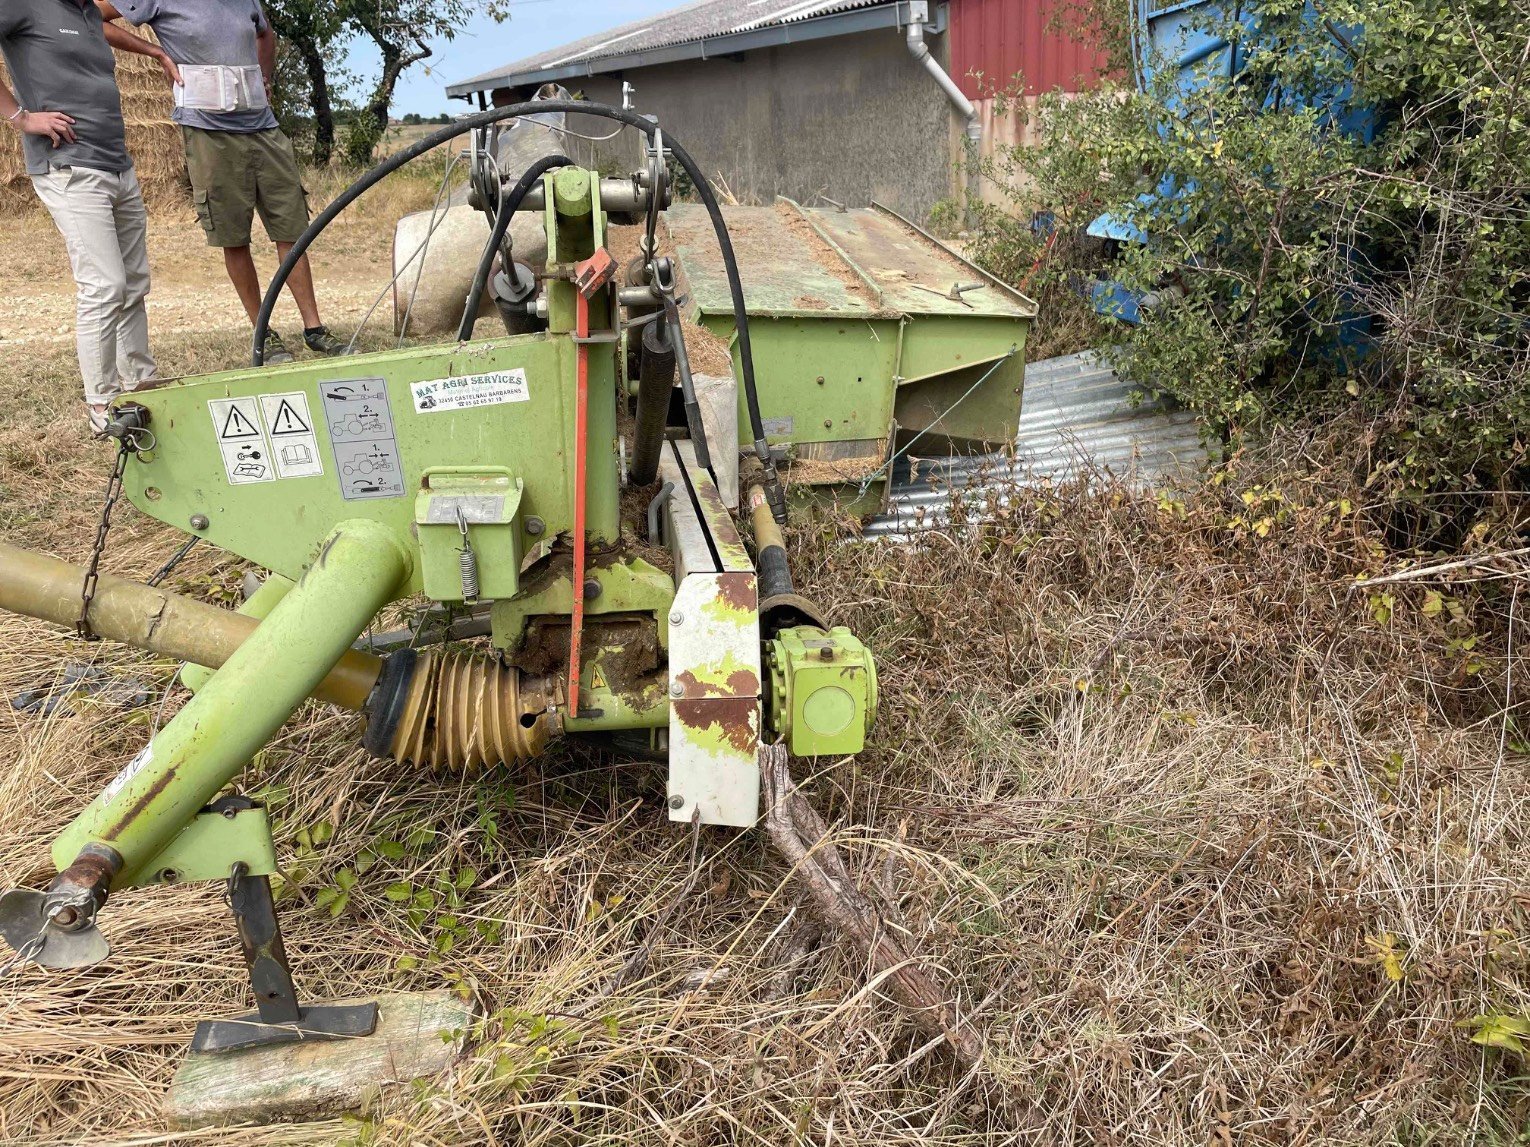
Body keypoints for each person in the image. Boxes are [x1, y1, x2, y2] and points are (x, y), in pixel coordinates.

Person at [97, 0, 350, 363]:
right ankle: (263, 331)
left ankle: (314, 330)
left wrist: (266, 77)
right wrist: (155, 52)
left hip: (263, 126)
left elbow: (266, 34)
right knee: (234, 236)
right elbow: (94, 16)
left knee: (292, 229)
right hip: (208, 131)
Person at [0, 0, 163, 430]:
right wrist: (20, 117)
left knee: (132, 282)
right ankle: (101, 405)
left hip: (118, 165)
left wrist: (156, 52)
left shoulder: (89, 14)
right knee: (104, 284)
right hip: (70, 167)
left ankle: (142, 382)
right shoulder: (23, 6)